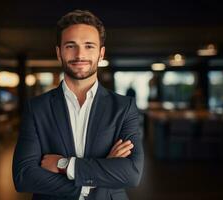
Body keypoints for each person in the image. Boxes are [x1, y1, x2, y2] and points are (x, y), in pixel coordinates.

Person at [13, 10, 144, 200]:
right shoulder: (37, 107)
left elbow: (131, 173)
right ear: (59, 52)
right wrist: (93, 180)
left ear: (101, 53)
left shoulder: (124, 107)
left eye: (89, 46)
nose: (80, 54)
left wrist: (65, 165)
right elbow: (23, 176)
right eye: (70, 46)